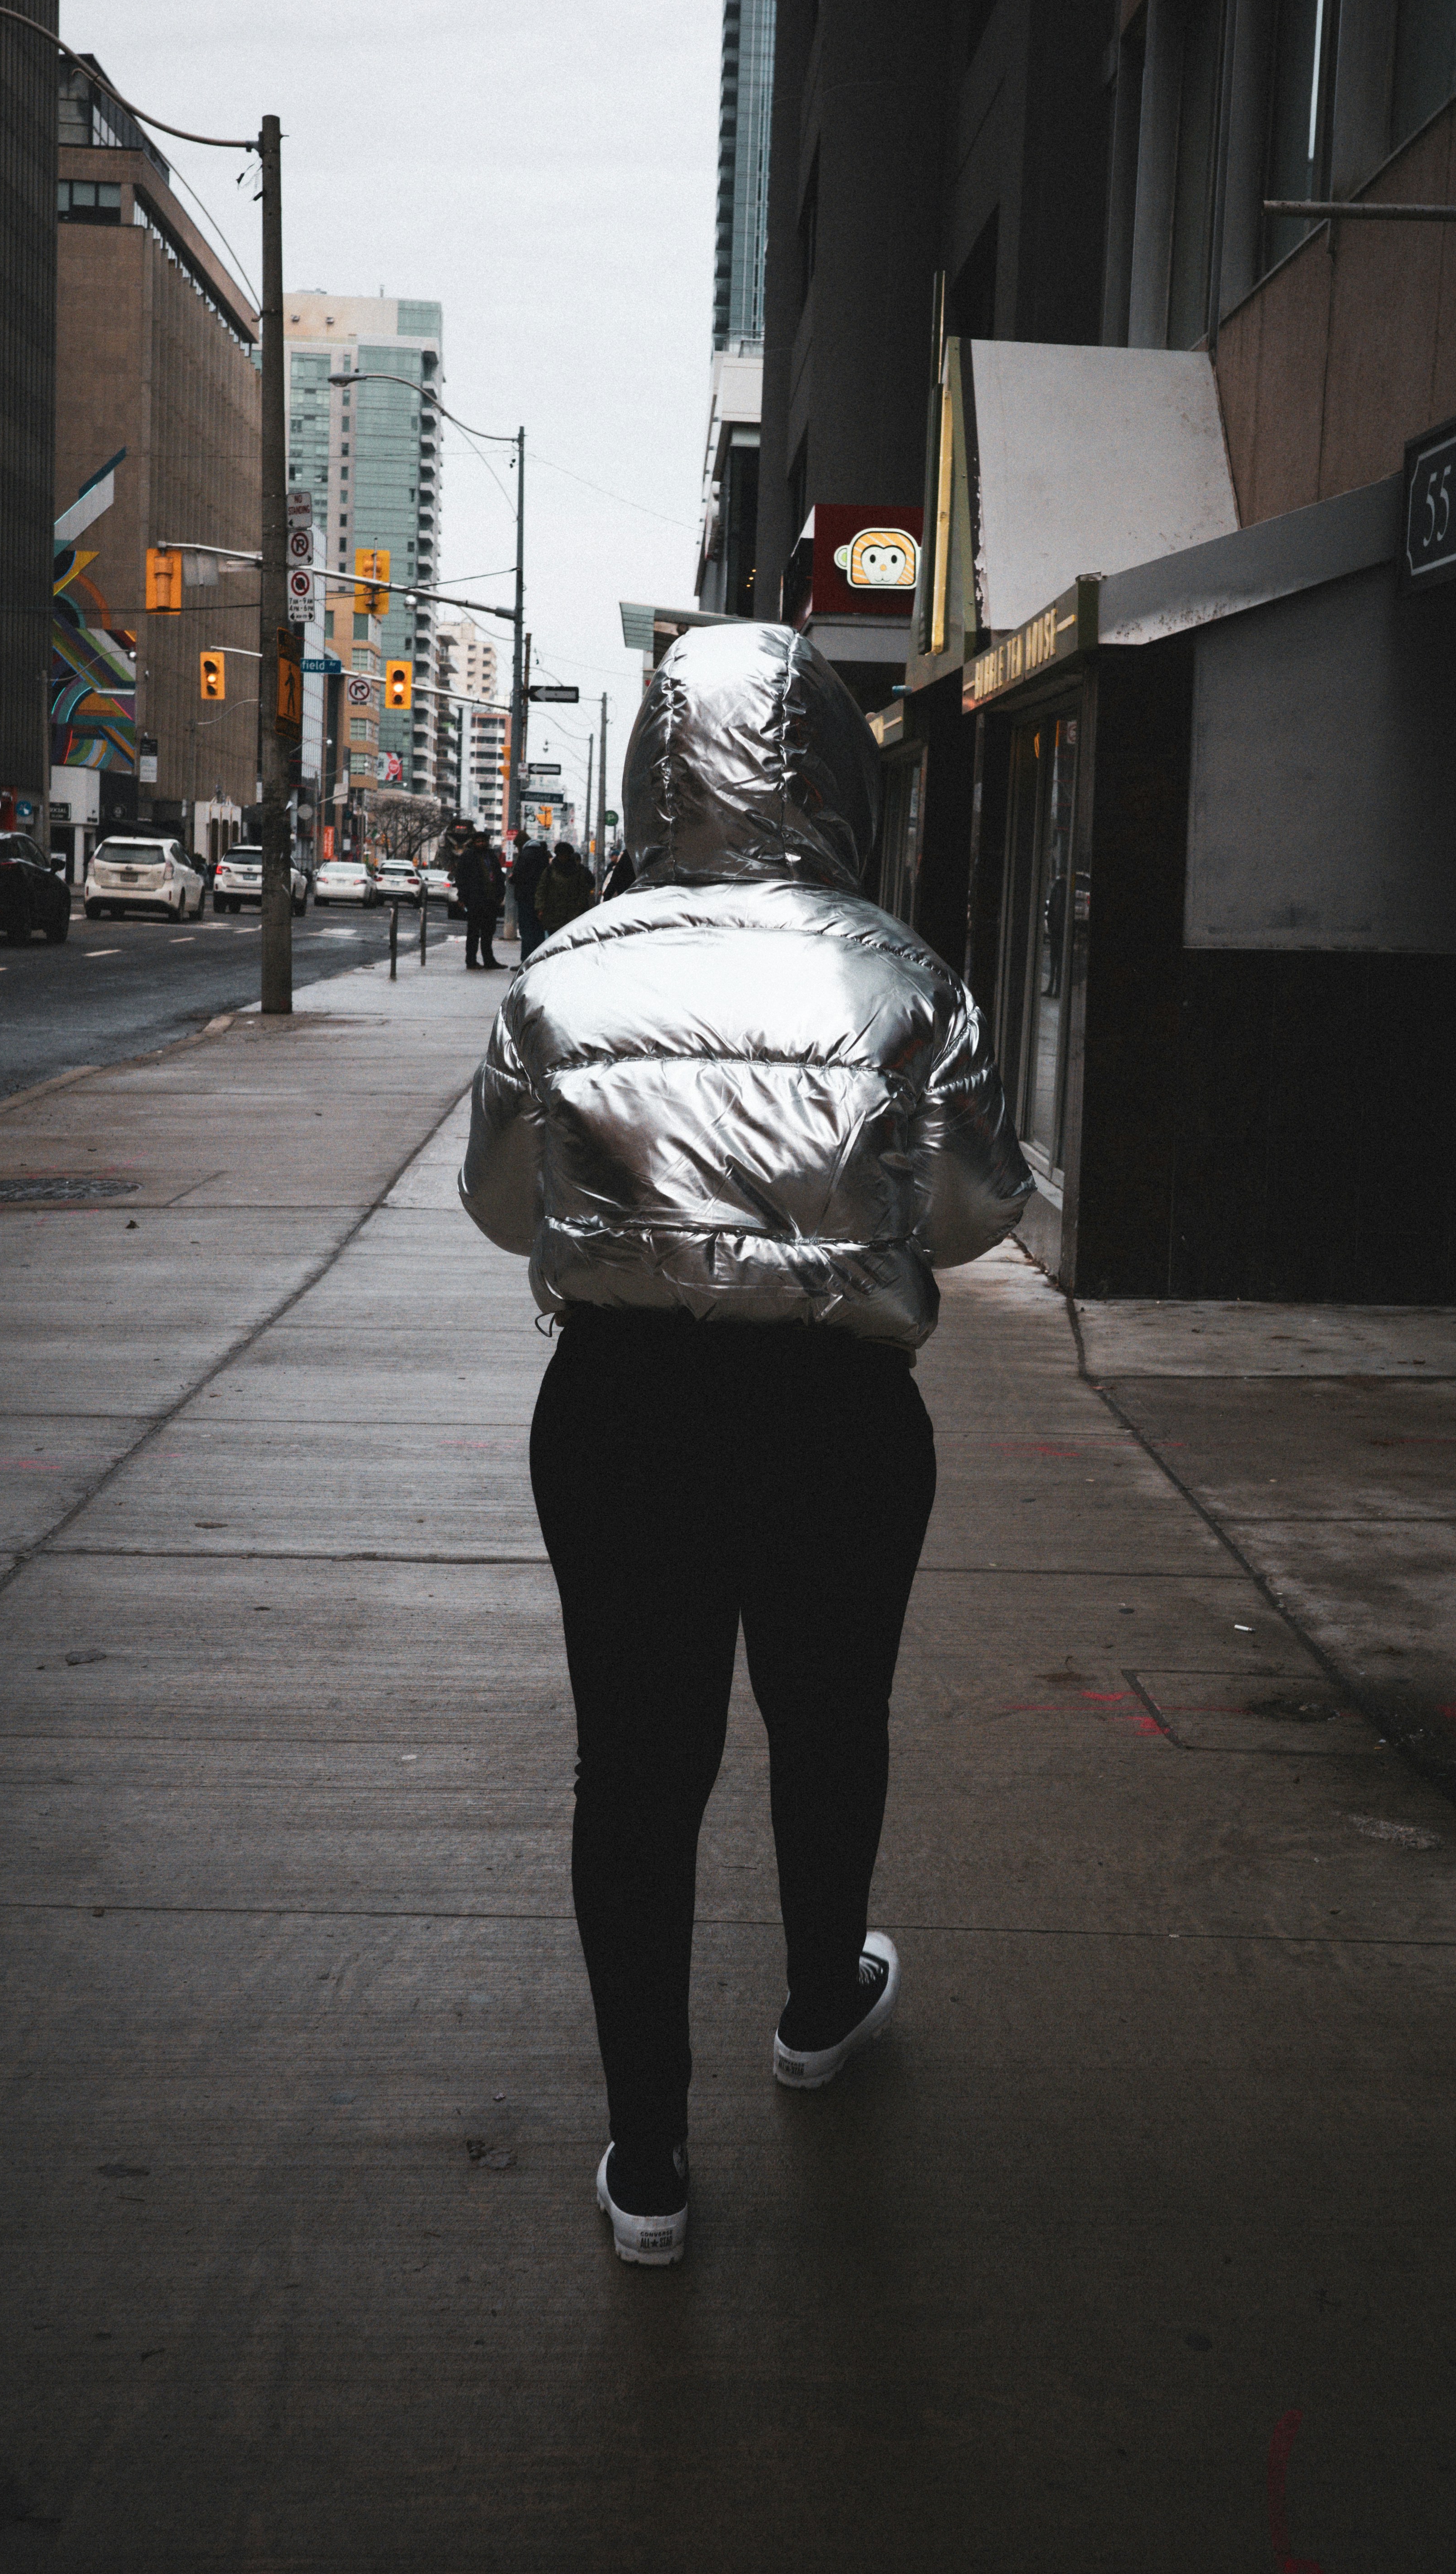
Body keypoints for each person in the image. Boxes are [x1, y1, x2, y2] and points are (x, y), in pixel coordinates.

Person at [460, 624, 1031, 2268]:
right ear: (836, 769)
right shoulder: (904, 976)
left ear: (653, 765)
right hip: (834, 1416)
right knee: (826, 1713)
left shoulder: (565, 972)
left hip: (621, 1410)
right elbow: (979, 1210)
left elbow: (504, 1206)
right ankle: (810, 2002)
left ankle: (646, 2162)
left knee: (635, 1768)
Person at [455, 827, 504, 971]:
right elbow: (461, 878)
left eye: (483, 841)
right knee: (474, 932)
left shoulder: (491, 856)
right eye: (478, 841)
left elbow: (498, 876)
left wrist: (501, 894)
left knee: (489, 932)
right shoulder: (468, 856)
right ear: (474, 843)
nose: (481, 844)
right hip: (475, 900)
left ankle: (489, 960)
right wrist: (462, 897)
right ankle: (471, 961)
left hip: (491, 900)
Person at [534, 838, 595, 933]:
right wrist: (540, 908)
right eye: (561, 855)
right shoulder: (550, 871)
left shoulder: (578, 872)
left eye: (565, 855)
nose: (563, 858)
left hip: (572, 914)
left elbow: (583, 890)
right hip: (553, 913)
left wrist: (581, 905)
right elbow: (542, 890)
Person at [512, 831, 550, 956]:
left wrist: (512, 878)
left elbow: (519, 875)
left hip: (526, 897)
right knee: (538, 930)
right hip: (539, 898)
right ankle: (537, 959)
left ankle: (526, 960)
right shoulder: (542, 853)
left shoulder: (526, 854)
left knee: (526, 930)